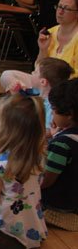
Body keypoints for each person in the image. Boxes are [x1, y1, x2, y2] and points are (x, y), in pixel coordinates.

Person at [0, 94, 47, 249]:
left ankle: (5, 241)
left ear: (5, 129)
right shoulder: (39, 156)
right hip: (31, 222)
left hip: (6, 226)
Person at [0, 0, 78, 91]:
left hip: (64, 88)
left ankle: (29, 96)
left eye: (66, 8)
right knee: (7, 75)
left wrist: (50, 82)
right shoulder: (50, 32)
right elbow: (38, 67)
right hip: (42, 82)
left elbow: (74, 78)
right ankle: (27, 93)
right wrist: (43, 49)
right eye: (59, 6)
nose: (60, 12)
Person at [42, 79, 78, 230]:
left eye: (54, 109)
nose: (52, 114)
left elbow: (46, 181)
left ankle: (52, 213)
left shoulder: (62, 144)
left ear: (69, 114)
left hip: (60, 202)